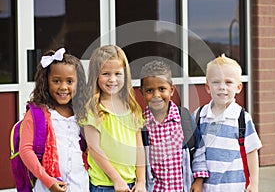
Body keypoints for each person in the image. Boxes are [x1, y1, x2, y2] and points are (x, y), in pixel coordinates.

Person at [19, 47, 89, 192]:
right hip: (47, 186)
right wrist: (48, 181)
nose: (63, 87)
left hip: (80, 185)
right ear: (46, 82)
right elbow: (25, 150)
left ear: (79, 83)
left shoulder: (82, 113)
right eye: (56, 81)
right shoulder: (37, 113)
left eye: (70, 81)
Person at [78, 45, 146, 192]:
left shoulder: (132, 108)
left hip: (132, 184)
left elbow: (139, 148)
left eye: (117, 74)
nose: (112, 79)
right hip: (105, 185)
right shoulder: (94, 109)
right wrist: (116, 179)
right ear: (96, 76)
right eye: (106, 74)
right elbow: (94, 148)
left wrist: (141, 181)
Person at [193, 54, 262, 192]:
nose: (222, 87)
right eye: (216, 82)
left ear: (238, 88)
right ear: (207, 87)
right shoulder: (199, 116)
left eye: (228, 82)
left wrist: (253, 183)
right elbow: (195, 152)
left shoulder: (241, 118)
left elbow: (251, 152)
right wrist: (197, 180)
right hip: (207, 187)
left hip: (235, 185)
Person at [140, 60, 209, 192]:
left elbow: (199, 150)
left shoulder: (184, 119)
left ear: (171, 90)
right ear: (142, 92)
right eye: (149, 90)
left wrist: (199, 180)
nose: (156, 95)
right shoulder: (141, 124)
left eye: (162, 89)